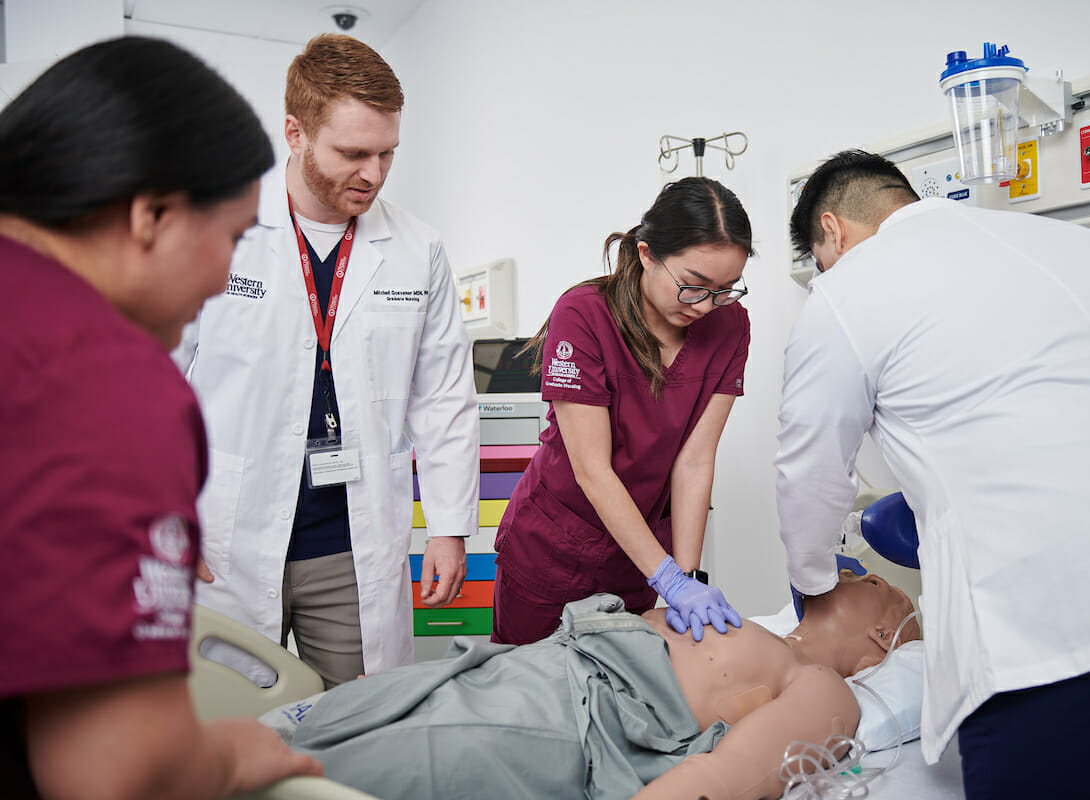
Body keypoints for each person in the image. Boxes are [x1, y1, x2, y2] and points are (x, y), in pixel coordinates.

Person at [776, 149, 1090, 798]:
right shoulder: (1083, 245)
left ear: (831, 230)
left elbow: (808, 475)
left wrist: (813, 580)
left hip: (1065, 630)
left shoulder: (846, 289)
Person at [0, 36, 324, 798]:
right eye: (235, 238)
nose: (224, 277)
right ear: (150, 214)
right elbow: (119, 772)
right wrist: (233, 756)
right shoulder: (99, 376)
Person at [173, 34, 480, 688]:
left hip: (351, 541)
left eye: (387, 153)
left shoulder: (416, 248)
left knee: (358, 729)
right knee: (235, 726)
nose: (373, 172)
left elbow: (444, 397)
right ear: (296, 132)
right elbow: (153, 375)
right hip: (225, 533)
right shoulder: (216, 224)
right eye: (353, 153)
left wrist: (451, 527)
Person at [265, 573, 918, 800]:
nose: (858, 573)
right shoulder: (758, 631)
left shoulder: (823, 688)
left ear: (884, 639)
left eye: (875, 584)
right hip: (518, 669)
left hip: (563, 719)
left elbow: (728, 774)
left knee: (341, 768)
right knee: (330, 721)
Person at [492, 177, 752, 646]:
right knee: (529, 697)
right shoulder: (585, 314)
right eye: (694, 286)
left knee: (620, 699)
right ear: (647, 253)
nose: (707, 306)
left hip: (641, 556)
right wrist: (668, 579)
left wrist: (685, 575)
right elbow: (593, 470)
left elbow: (694, 460)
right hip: (553, 550)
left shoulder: (730, 325)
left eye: (725, 289)